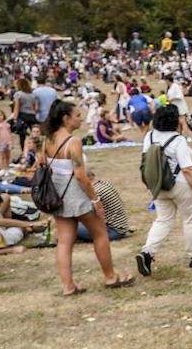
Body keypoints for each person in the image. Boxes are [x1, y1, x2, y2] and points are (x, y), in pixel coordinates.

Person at [39, 100, 132, 295]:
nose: (81, 119)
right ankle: (110, 276)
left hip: (57, 192)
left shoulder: (48, 139)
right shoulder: (73, 141)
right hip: (75, 192)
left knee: (65, 240)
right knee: (100, 234)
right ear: (66, 118)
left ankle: (68, 286)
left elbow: (43, 164)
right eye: (77, 115)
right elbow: (80, 175)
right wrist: (95, 198)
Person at [134, 105, 192, 275]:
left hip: (159, 186)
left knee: (163, 220)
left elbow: (147, 164)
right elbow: (187, 169)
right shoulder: (178, 140)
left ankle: (147, 252)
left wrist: (150, 186)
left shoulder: (149, 136)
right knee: (190, 219)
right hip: (180, 185)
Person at [76, 169, 133, 243]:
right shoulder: (104, 183)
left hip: (113, 232)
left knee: (70, 226)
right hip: (120, 227)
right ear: (93, 174)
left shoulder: (94, 192)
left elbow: (86, 214)